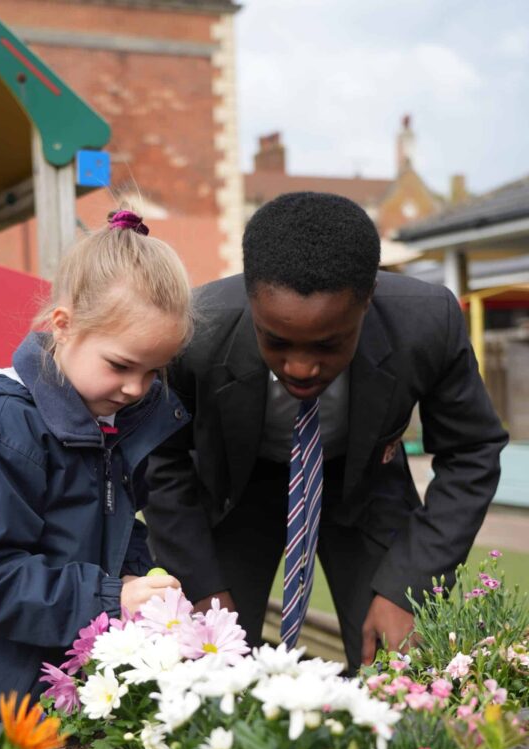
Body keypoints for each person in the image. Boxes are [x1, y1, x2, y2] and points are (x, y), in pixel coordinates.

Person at [144, 192, 508, 671]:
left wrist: (409, 584)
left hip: (365, 486)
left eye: (328, 344)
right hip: (237, 488)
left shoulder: (427, 322)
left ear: (368, 301)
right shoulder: (196, 330)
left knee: (400, 667)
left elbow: (472, 450)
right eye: (276, 340)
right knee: (206, 663)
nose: (300, 366)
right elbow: (160, 458)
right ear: (252, 299)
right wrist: (202, 583)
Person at [0, 210, 192, 730]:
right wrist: (113, 598)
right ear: (63, 326)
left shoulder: (110, 417)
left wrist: (137, 575)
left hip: (61, 676)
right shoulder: (3, 429)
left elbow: (99, 527)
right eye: (120, 365)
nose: (137, 388)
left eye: (153, 370)